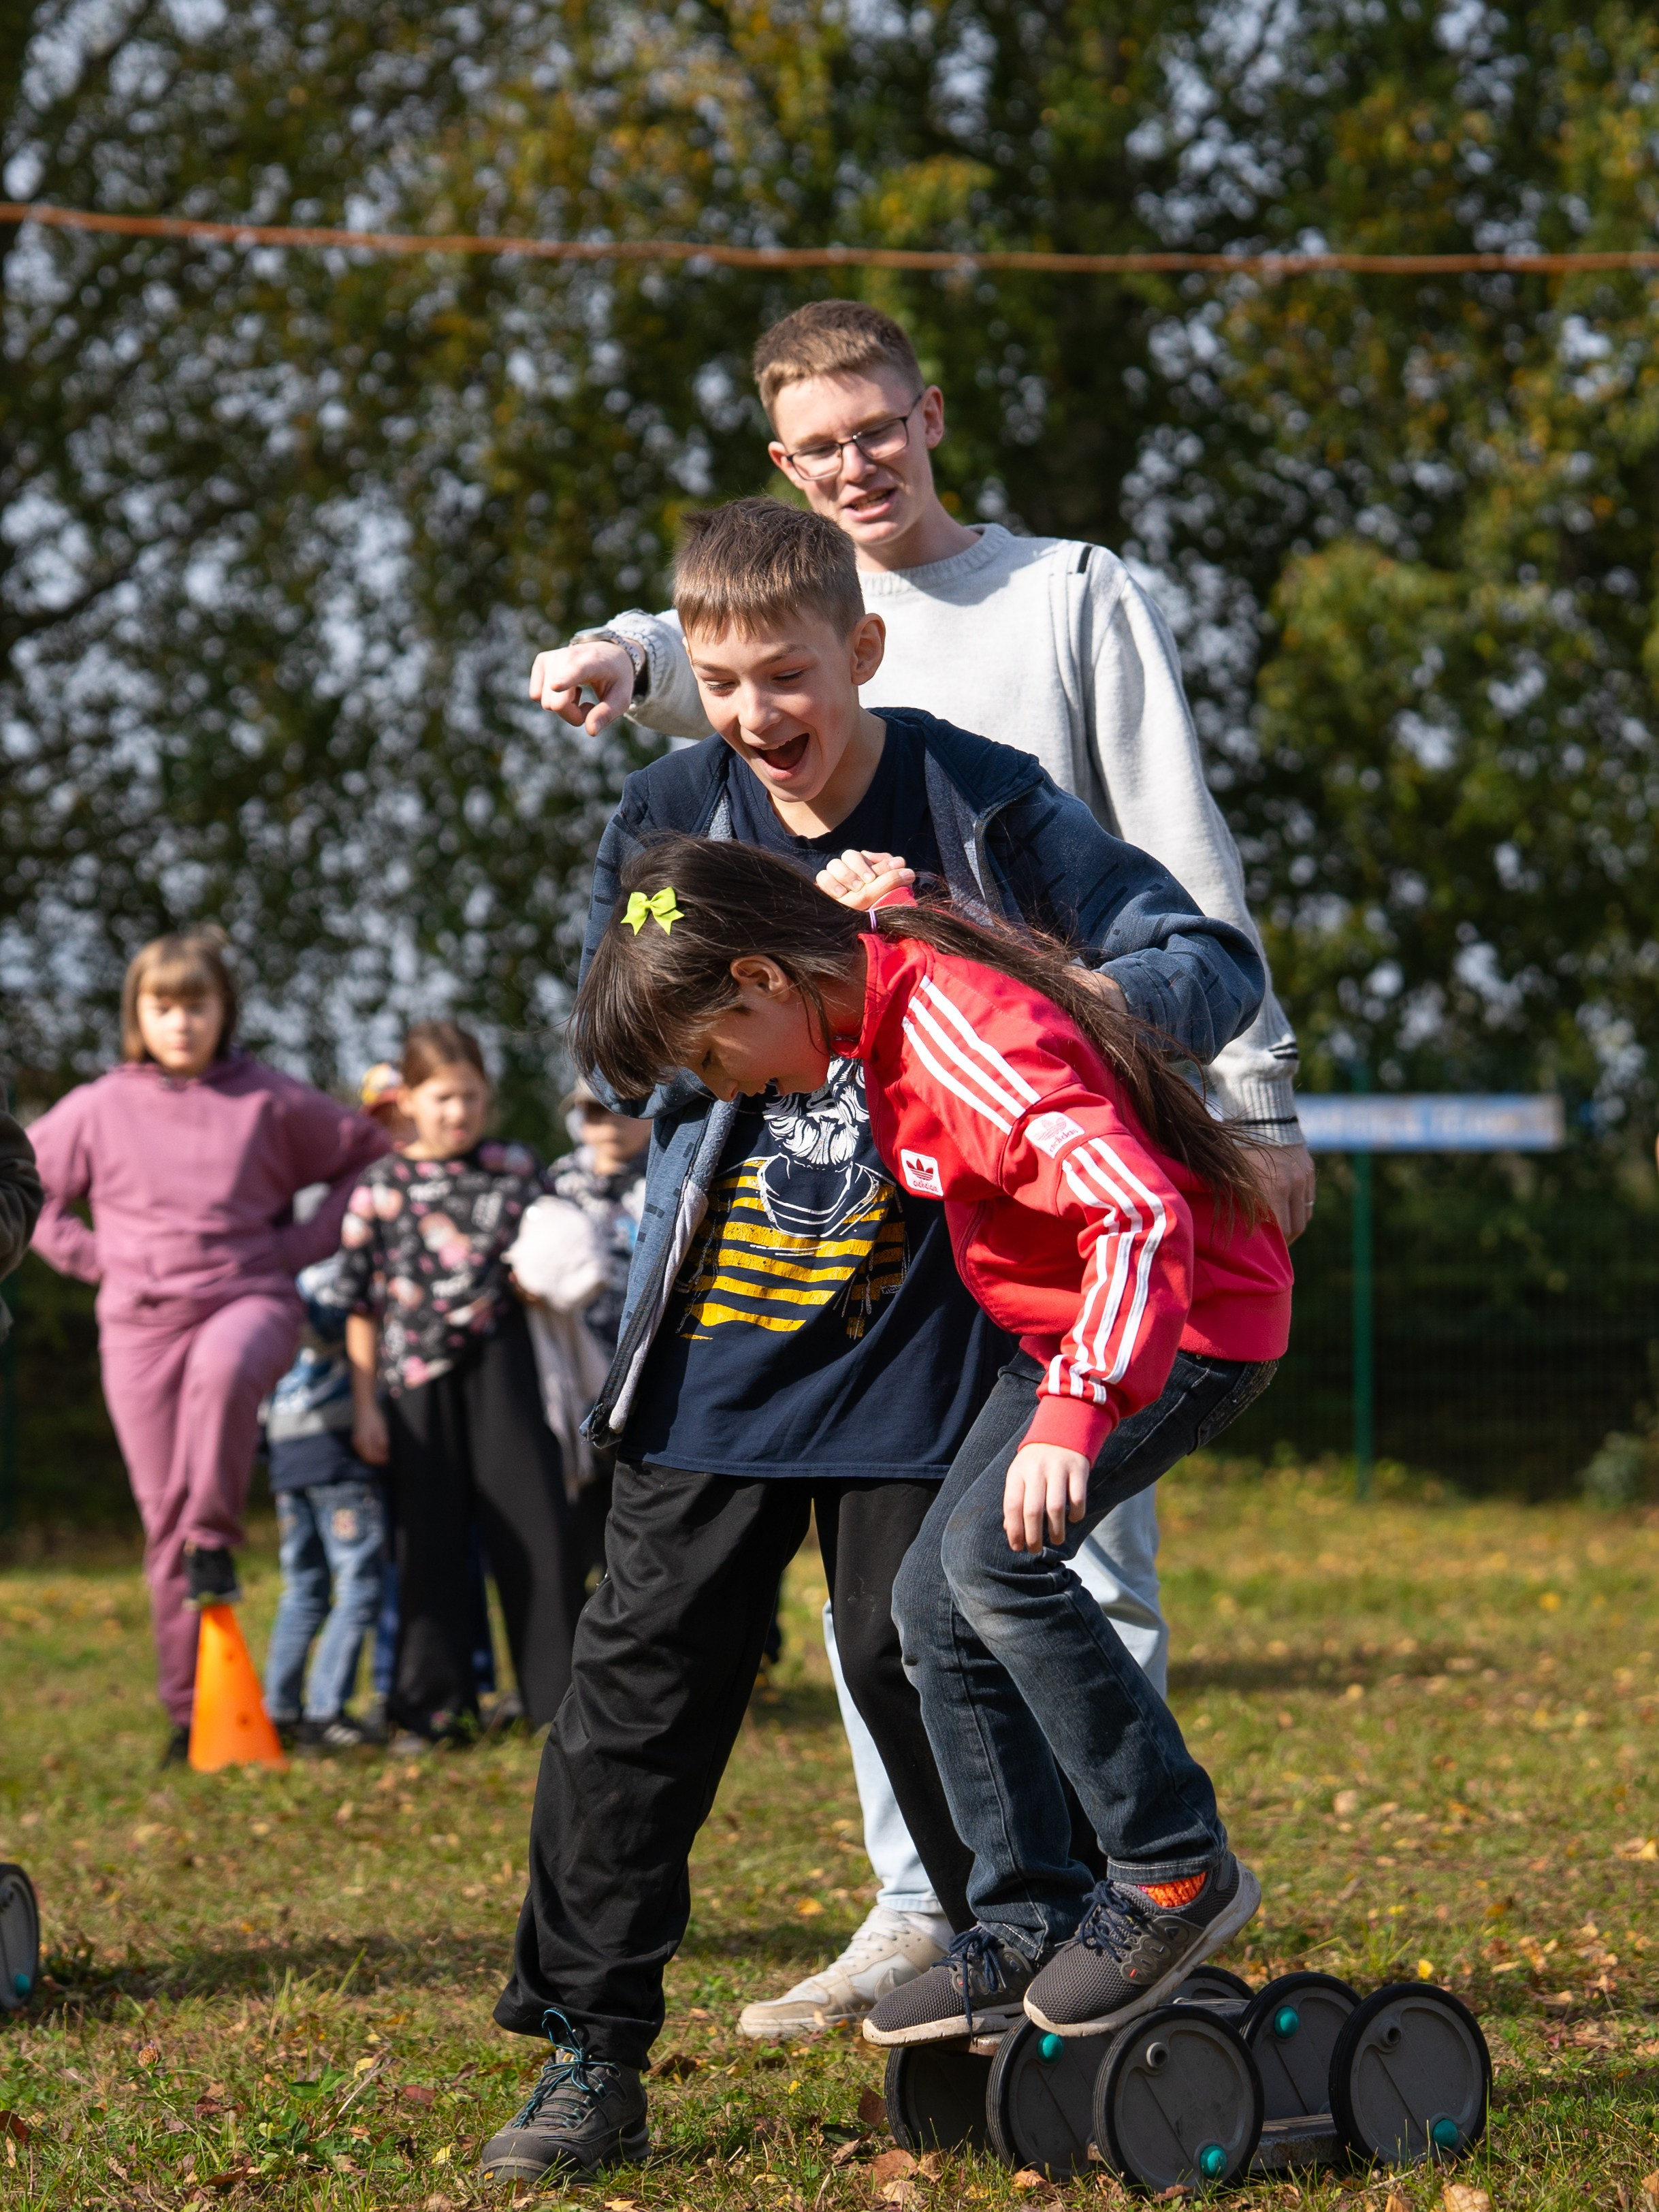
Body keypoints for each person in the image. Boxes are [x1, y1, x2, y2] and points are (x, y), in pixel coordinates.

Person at [526, 299, 1312, 2033]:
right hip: (739, 1315)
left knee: (957, 1608)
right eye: (718, 683)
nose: (755, 712)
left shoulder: (991, 770)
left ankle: (1088, 1900)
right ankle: (610, 2035)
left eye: (784, 679)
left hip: (965, 1305)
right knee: (657, 1685)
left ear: (863, 654)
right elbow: (634, 1036)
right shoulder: (674, 818)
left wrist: (1071, 997)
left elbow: (1199, 948)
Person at [567, 833, 1290, 2042]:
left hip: (1177, 1323)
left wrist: (1079, 1405)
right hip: (1061, 1327)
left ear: (762, 979)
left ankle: (1171, 1861)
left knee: (993, 1565)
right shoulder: (876, 981)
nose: (725, 1087)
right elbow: (913, 945)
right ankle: (1023, 1916)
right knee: (925, 1604)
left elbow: (1135, 1209)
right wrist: (889, 900)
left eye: (710, 1054)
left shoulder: (959, 1037)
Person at [27, 933, 389, 1761]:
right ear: (137, 1014)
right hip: (139, 1321)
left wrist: (295, 1250)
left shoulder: (265, 1099)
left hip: (246, 1300)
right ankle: (191, 1714)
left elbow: (367, 1156)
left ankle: (217, 1537)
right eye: (163, 1006)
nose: (181, 1022)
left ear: (224, 1011)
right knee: (162, 1525)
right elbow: (29, 1185)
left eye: (197, 1005)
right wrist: (93, 1258)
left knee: (223, 1378)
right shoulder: (97, 1106)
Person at [337, 1021, 583, 1744]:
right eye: (442, 1098)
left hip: (505, 1367)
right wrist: (365, 1410)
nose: (458, 1113)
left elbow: (555, 1252)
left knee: (538, 1534)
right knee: (429, 1545)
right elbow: (359, 1302)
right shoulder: (380, 1186)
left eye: (471, 1097)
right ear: (408, 1099)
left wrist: (545, 1282)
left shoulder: (515, 1168)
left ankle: (559, 1703)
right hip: (415, 1383)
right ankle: (433, 1708)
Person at [506, 1085, 650, 1582]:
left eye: (622, 1106)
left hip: (653, 1379)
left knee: (654, 1520)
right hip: (579, 1378)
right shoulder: (558, 1183)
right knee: (588, 1517)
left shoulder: (674, 1170)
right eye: (593, 1110)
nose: (608, 1120)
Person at [261, 1253, 387, 1750]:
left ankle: (280, 1709)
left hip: (286, 1446)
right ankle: (324, 1711)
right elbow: (352, 1317)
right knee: (358, 1583)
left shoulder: (272, 1272)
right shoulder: (337, 1272)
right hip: (334, 1442)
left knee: (303, 1586)